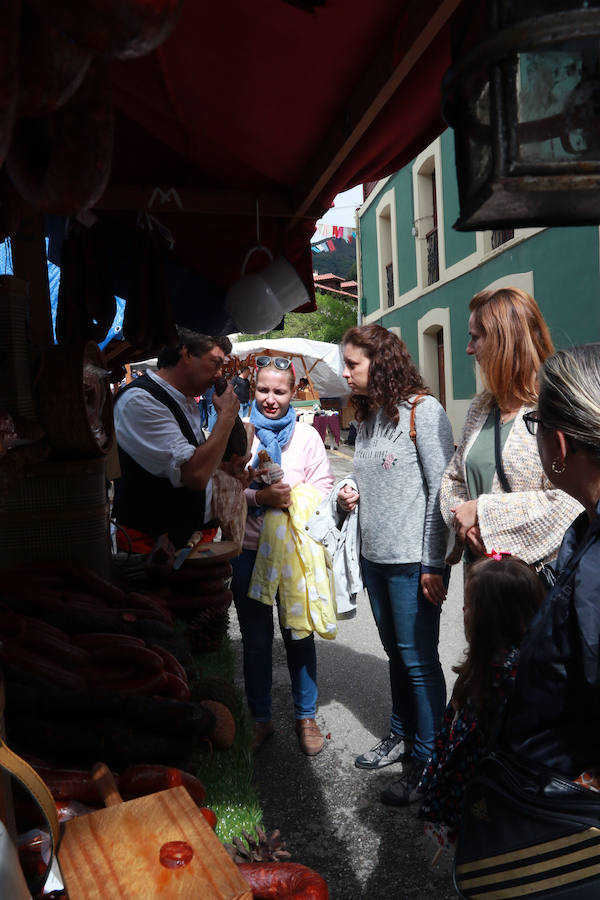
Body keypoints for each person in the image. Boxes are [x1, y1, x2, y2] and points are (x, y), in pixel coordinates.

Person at [339, 324, 455, 805]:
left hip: (413, 563)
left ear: (380, 362)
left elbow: (441, 490)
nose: (345, 373)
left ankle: (429, 765)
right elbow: (372, 474)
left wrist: (434, 562)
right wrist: (350, 492)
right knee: (397, 656)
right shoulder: (368, 417)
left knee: (418, 660)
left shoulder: (423, 412)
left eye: (353, 364)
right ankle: (401, 736)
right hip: (375, 560)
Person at [503, 344, 600, 779]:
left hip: (565, 808)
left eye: (535, 424)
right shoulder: (585, 530)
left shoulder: (595, 568)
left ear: (558, 443)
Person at [231, 357, 334, 755]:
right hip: (250, 550)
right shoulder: (238, 434)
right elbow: (220, 487)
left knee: (298, 634)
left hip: (293, 551)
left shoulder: (307, 437)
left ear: (294, 393)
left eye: (280, 391)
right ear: (252, 389)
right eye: (263, 390)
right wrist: (258, 494)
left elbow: (322, 487)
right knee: (256, 641)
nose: (271, 399)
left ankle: (305, 716)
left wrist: (291, 494)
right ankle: (260, 719)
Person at [440, 287, 581, 567]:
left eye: (475, 338)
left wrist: (482, 512)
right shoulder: (480, 408)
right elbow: (451, 480)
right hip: (481, 579)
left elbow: (572, 502)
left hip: (535, 587)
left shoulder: (556, 408)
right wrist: (467, 528)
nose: (468, 349)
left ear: (503, 342)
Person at [418, 555, 544, 852]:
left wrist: (439, 796)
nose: (463, 610)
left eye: (470, 604)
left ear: (491, 618)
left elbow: (460, 753)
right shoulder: (515, 663)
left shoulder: (500, 678)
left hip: (484, 801)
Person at [112, 327, 240, 551]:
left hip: (190, 543)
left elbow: (199, 466)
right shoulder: (139, 401)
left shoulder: (185, 400)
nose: (219, 374)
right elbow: (194, 475)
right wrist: (227, 416)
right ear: (187, 354)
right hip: (151, 552)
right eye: (215, 363)